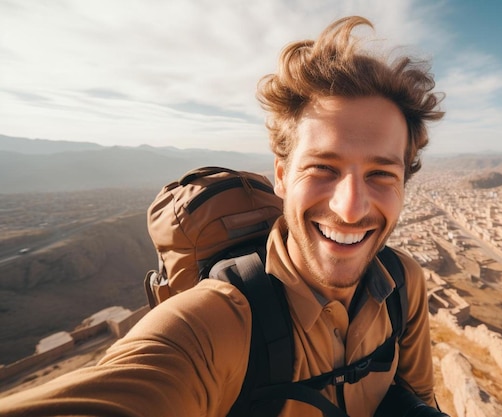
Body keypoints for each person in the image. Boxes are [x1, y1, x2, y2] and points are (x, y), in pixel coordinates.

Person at [0, 16, 445, 416]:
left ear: (404, 183)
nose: (350, 207)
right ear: (282, 176)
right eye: (323, 168)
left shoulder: (402, 284)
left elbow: (419, 394)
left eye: (381, 174)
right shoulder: (213, 325)